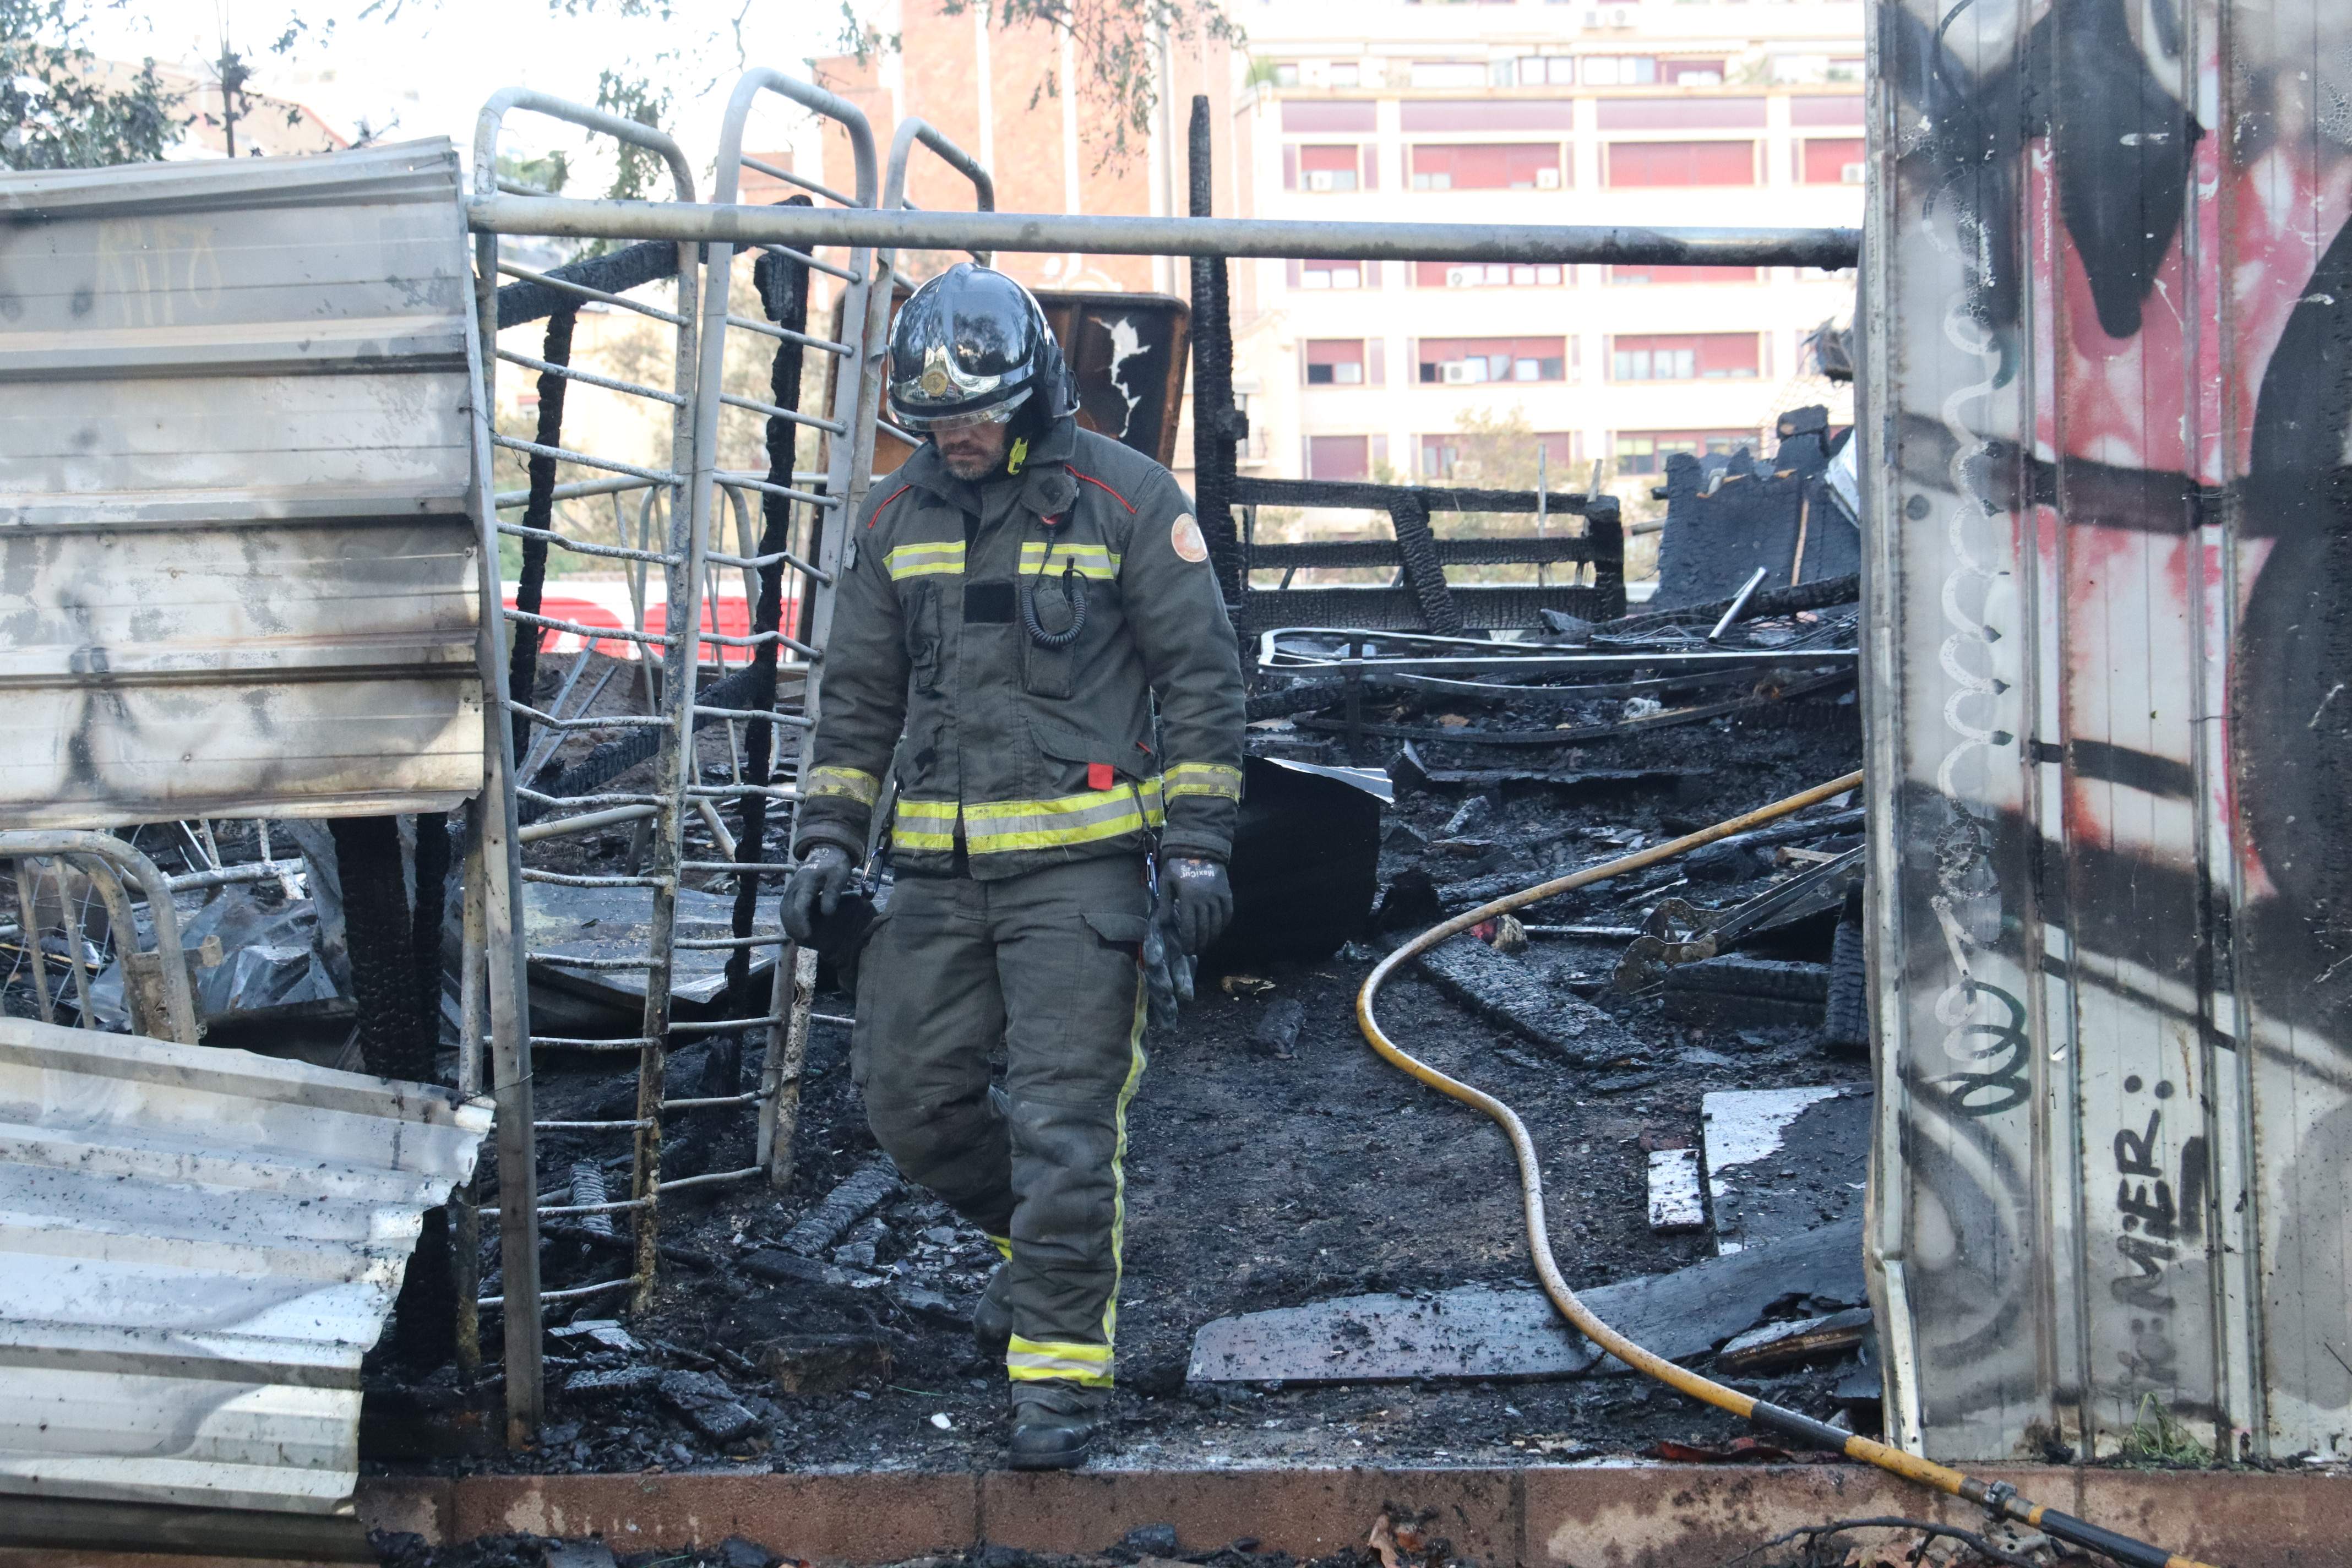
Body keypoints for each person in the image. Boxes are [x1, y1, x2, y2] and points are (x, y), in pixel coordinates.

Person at [781, 263, 1245, 1468]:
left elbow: (1203, 680)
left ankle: (1059, 1383)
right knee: (907, 1103)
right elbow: (857, 701)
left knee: (1063, 1131)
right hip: (935, 874)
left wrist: (1196, 849)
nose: (960, 438)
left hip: (1083, 878)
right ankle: (1038, 1254)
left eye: (977, 416)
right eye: (935, 422)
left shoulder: (1129, 500)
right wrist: (828, 839)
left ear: (1032, 392)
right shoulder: (894, 519)